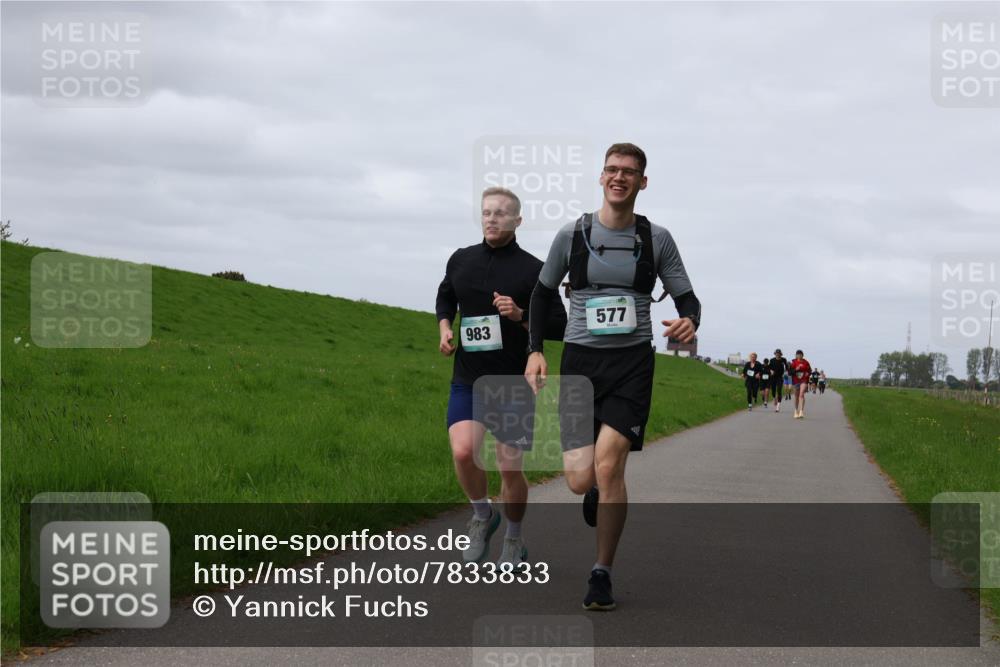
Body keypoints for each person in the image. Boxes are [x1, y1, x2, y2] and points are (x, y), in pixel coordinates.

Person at [523, 143, 700, 611]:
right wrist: (536, 351)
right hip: (581, 363)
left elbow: (688, 299)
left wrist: (689, 322)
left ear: (643, 182)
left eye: (630, 172)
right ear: (601, 178)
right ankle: (596, 492)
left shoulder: (656, 239)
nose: (619, 177)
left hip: (632, 365)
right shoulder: (573, 234)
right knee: (580, 479)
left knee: (609, 463)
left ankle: (601, 572)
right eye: (612, 170)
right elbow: (541, 297)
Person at [436, 187, 567, 566]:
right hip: (469, 377)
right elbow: (446, 298)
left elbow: (558, 324)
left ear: (517, 221)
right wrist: (445, 328)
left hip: (512, 382)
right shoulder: (461, 260)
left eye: (500, 213)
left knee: (509, 466)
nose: (492, 218)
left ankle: (514, 537)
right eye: (487, 212)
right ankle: (482, 516)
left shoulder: (534, 270)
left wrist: (520, 314)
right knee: (463, 451)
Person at [789, 349, 813, 419]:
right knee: (796, 396)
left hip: (804, 380)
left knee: (801, 394)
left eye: (800, 354)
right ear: (796, 355)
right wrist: (796, 369)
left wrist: (808, 373)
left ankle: (801, 411)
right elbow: (790, 372)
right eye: (798, 354)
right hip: (796, 380)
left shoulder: (806, 362)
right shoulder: (793, 363)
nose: (799, 356)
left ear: (802, 355)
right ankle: (796, 411)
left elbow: (810, 370)